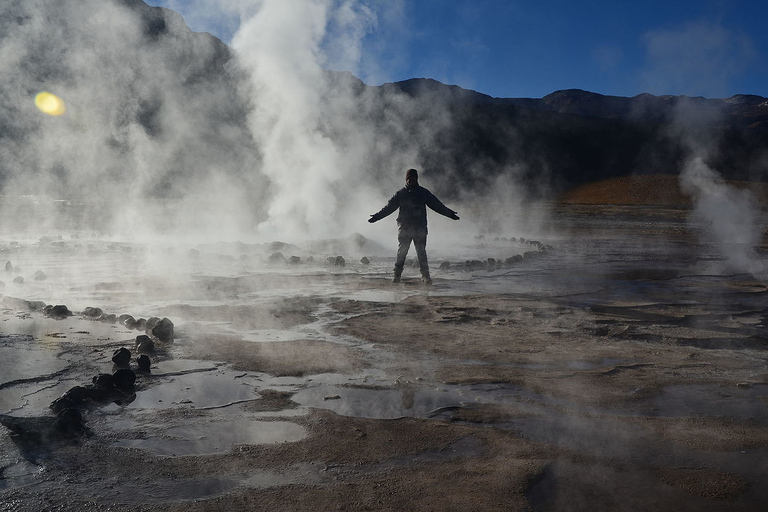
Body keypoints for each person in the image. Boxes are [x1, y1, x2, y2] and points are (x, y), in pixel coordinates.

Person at [368, 168, 460, 284]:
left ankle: (425, 276)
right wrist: (376, 217)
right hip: (405, 228)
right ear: (406, 179)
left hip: (419, 228)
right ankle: (397, 276)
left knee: (421, 252)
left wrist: (450, 214)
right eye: (409, 178)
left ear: (417, 179)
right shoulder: (400, 194)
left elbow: (437, 205)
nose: (411, 180)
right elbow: (389, 208)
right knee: (402, 252)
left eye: (414, 178)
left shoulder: (423, 193)